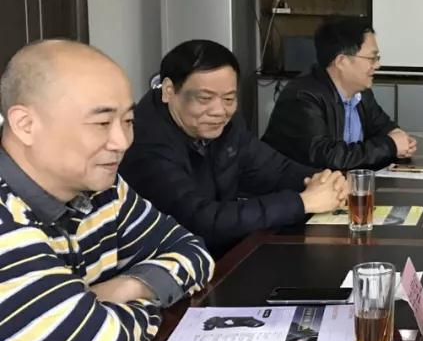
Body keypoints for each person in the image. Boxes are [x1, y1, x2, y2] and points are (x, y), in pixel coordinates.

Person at [0, 40, 214, 341]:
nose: (121, 141)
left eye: (128, 121)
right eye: (101, 123)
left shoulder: (103, 190)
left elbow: (193, 251)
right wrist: (142, 303)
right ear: (25, 124)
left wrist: (127, 287)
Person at [120, 40, 348, 255]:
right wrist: (303, 202)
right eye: (204, 99)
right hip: (168, 267)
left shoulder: (225, 124)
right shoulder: (143, 142)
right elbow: (201, 221)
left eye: (229, 99)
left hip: (222, 254)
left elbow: (275, 170)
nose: (219, 111)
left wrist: (327, 181)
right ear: (169, 90)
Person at [263, 16, 416, 170]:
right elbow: (327, 157)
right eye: (372, 58)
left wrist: (399, 137)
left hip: (343, 182)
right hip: (295, 184)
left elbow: (383, 126)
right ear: (342, 61)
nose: (377, 65)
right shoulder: (302, 98)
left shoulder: (361, 93)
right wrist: (390, 145)